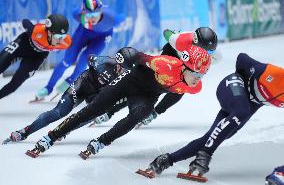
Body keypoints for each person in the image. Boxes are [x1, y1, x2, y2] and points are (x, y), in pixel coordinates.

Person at [25, 44, 212, 158]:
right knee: (92, 111)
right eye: (197, 73)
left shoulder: (194, 86)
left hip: (146, 95)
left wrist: (157, 110)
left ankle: (101, 142)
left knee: (140, 114)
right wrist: (126, 55)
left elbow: (172, 96)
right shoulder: (164, 64)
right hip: (129, 82)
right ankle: (52, 136)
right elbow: (137, 56)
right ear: (186, 66)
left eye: (203, 74)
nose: (199, 78)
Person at [141, 53, 284, 181]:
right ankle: (205, 155)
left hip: (247, 104)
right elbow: (242, 58)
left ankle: (166, 160)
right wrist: (242, 86)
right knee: (241, 111)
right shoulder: (273, 74)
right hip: (233, 86)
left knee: (216, 135)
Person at [88, 27, 220, 127]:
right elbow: (166, 32)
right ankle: (110, 110)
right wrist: (175, 40)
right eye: (204, 50)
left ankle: (155, 112)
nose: (205, 54)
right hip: (172, 55)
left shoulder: (215, 56)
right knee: (146, 85)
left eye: (209, 52)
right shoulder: (180, 41)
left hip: (188, 66)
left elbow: (203, 68)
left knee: (180, 89)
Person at [3, 54, 128, 144]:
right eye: (121, 67)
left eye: (126, 70)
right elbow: (89, 57)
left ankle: (65, 129)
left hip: (96, 94)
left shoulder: (126, 80)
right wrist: (94, 62)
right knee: (58, 112)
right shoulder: (107, 62)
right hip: (82, 84)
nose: (121, 71)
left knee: (92, 114)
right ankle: (25, 132)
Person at [34, 0, 124, 101]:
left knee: (84, 60)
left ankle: (69, 81)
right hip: (83, 33)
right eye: (89, 15)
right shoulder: (77, 14)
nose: (92, 18)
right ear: (83, 13)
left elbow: (124, 16)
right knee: (67, 61)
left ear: (101, 11)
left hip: (101, 38)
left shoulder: (112, 18)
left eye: (95, 14)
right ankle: (48, 88)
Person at [0, 14, 71, 100]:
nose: (60, 40)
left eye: (63, 36)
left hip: (36, 57)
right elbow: (25, 21)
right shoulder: (37, 31)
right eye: (58, 37)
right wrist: (30, 28)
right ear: (49, 32)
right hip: (23, 44)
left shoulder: (66, 42)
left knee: (15, 84)